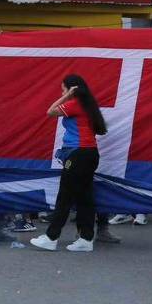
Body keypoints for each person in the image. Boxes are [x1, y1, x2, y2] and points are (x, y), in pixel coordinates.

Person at [30, 74, 107, 252]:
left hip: (77, 155)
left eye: (63, 88)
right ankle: (86, 239)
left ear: (73, 89)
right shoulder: (88, 106)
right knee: (85, 198)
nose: (62, 92)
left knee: (64, 197)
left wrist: (67, 95)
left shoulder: (74, 104)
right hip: (90, 154)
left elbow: (50, 112)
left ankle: (51, 237)